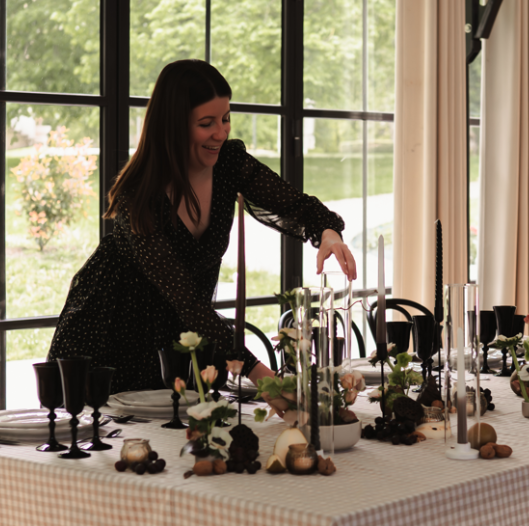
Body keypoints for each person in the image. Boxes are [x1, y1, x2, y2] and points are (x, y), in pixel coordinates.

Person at [48, 59, 356, 393]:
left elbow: (296, 205)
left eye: (225, 119)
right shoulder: (137, 199)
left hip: (182, 335)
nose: (221, 133)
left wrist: (328, 232)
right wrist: (264, 378)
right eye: (206, 123)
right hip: (110, 337)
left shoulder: (229, 164)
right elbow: (187, 301)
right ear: (173, 125)